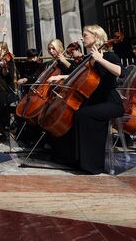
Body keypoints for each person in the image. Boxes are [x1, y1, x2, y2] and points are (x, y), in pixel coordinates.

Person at [48, 25, 123, 174]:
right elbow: (77, 76)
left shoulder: (108, 55)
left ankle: (92, 165)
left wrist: (100, 60)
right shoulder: (88, 58)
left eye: (85, 35)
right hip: (95, 101)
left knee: (83, 115)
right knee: (74, 114)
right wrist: (61, 78)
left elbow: (120, 72)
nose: (82, 38)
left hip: (111, 102)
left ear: (96, 37)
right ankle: (73, 158)